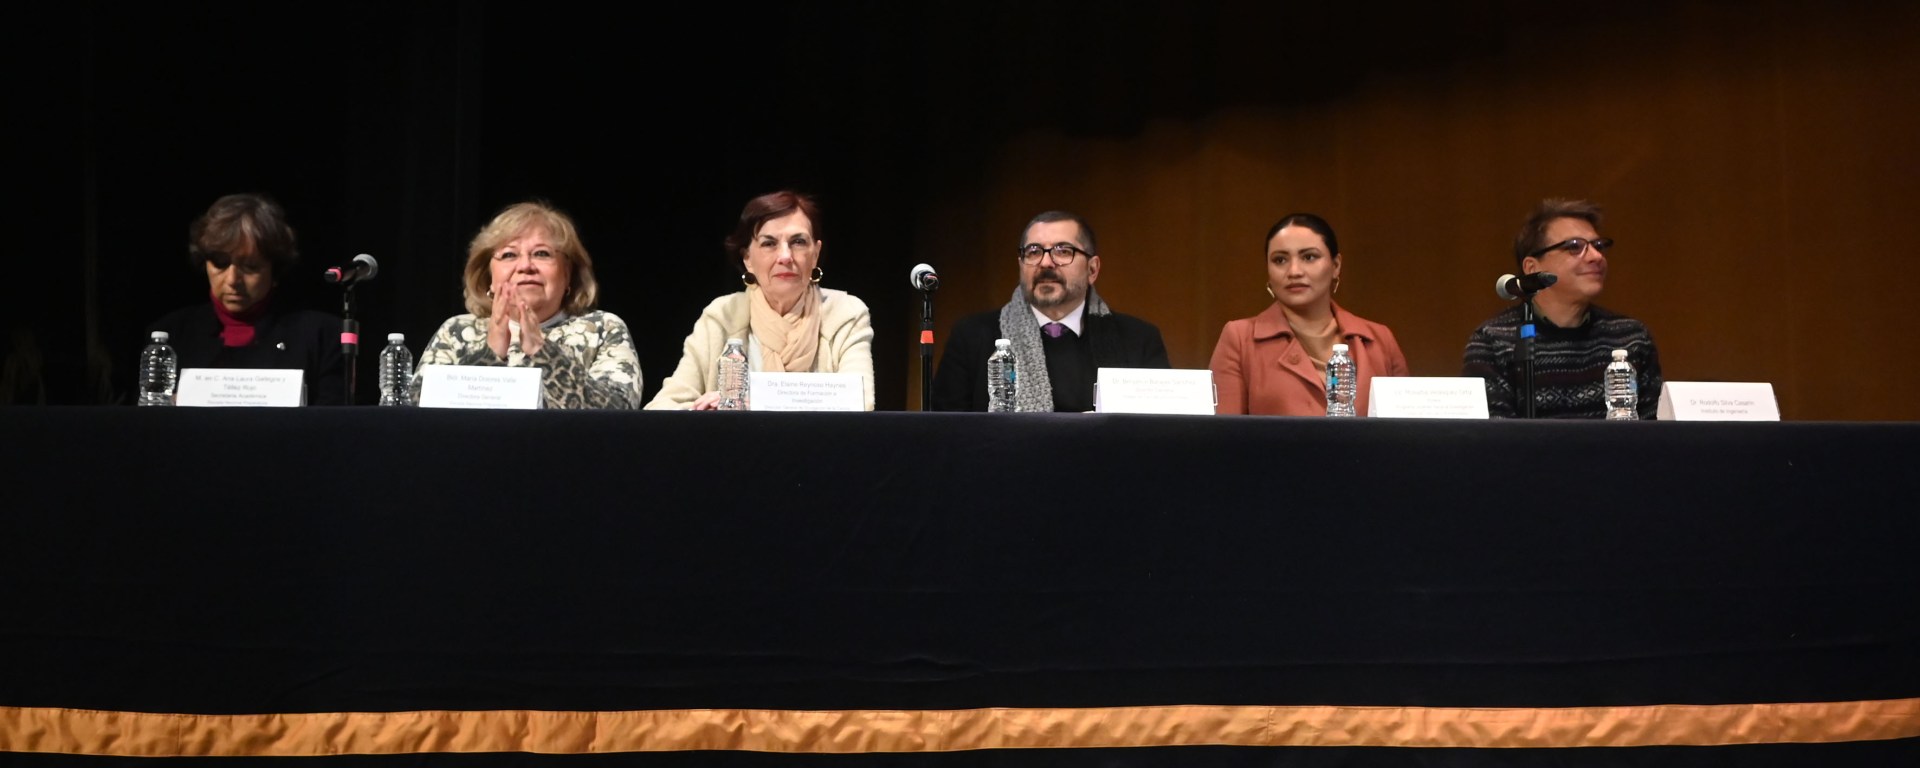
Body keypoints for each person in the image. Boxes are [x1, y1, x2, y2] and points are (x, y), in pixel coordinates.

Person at [647, 191, 875, 410]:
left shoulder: (846, 314)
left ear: (815, 254)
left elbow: (860, 403)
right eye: (769, 243)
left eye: (798, 242)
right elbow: (663, 407)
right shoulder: (722, 315)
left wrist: (749, 403)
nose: (785, 256)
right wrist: (706, 414)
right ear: (747, 257)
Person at [931, 210, 1169, 412]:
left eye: (1063, 251)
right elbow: (948, 436)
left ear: (1092, 269)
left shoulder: (1138, 340)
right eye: (1033, 252)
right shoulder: (972, 337)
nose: (1045, 263)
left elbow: (1157, 435)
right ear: (1021, 265)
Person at [413, 201, 642, 409]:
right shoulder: (457, 332)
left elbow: (618, 413)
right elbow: (410, 412)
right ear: (487, 277)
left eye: (542, 254)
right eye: (509, 255)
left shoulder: (602, 329)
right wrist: (489, 355)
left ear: (568, 275)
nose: (525, 266)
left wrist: (545, 354)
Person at [1462, 198, 1663, 419]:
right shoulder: (1493, 340)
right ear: (1532, 268)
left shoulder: (1630, 337)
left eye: (1598, 246)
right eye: (1575, 247)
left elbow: (1654, 436)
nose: (1597, 257)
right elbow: (1491, 441)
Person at [146, 193, 345, 405]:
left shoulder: (321, 336)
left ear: (275, 270)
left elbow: (332, 427)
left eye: (250, 266)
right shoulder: (172, 334)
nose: (232, 279)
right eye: (220, 264)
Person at [1210, 213, 1408, 416]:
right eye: (1280, 260)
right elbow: (1224, 438)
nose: (1294, 271)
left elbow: (1404, 435)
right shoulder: (1239, 339)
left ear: (1336, 266)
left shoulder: (1380, 339)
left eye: (1309, 257)